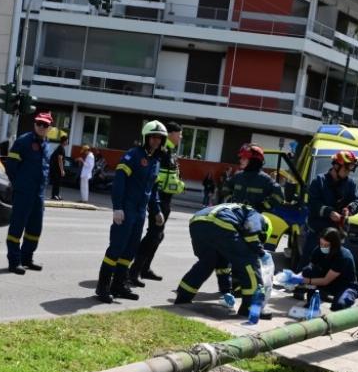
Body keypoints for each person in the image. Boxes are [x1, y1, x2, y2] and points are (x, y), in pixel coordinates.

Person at [95, 121, 166, 303]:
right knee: (117, 247)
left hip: (140, 212)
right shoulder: (133, 155)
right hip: (126, 209)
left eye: (160, 138)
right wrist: (117, 207)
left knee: (130, 250)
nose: (156, 141)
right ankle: (102, 287)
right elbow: (119, 181)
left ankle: (119, 285)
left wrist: (157, 210)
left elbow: (153, 190)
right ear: (146, 137)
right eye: (153, 137)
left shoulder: (155, 161)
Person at [174, 203, 269, 318]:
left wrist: (226, 291)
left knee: (208, 262)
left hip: (197, 223)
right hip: (220, 223)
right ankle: (250, 308)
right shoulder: (255, 214)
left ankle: (183, 297)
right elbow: (251, 234)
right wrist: (260, 252)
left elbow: (223, 266)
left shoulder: (237, 210)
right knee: (250, 262)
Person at [129, 121, 184, 285]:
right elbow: (154, 176)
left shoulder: (170, 151)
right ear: (172, 133)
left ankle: (144, 269)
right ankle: (133, 271)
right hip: (158, 199)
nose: (181, 137)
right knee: (154, 235)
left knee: (158, 235)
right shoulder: (162, 151)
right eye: (179, 134)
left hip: (166, 198)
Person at [5, 112, 53, 274]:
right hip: (24, 193)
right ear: (34, 124)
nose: (41, 127)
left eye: (45, 125)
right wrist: (19, 185)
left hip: (38, 195)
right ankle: (14, 261)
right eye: (39, 123)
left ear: (49, 128)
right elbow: (11, 165)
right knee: (17, 228)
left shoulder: (47, 145)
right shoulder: (23, 141)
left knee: (34, 229)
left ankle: (27, 259)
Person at [303, 150, 358, 262]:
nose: (348, 173)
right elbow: (313, 204)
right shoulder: (319, 181)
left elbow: (357, 201)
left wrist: (349, 209)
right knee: (308, 266)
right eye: (346, 169)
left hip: (338, 235)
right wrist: (329, 212)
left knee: (344, 265)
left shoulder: (350, 184)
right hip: (317, 234)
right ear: (336, 166)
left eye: (350, 169)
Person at [295, 227, 358, 312]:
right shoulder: (318, 250)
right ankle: (313, 300)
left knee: (339, 305)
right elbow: (310, 267)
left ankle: (344, 303)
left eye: (326, 245)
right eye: (321, 244)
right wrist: (294, 278)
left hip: (345, 285)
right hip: (327, 282)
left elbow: (325, 281)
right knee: (308, 271)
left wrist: (304, 280)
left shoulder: (344, 256)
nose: (323, 247)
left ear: (334, 244)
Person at [220, 143, 283, 212]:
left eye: (244, 158)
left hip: (254, 217)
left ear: (254, 161)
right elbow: (225, 187)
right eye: (241, 158)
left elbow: (279, 196)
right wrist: (230, 200)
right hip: (236, 215)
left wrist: (263, 206)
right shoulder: (237, 176)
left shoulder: (265, 179)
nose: (240, 160)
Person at [49, 134, 68, 201]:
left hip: (56, 168)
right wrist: (62, 170)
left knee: (58, 182)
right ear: (64, 141)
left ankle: (56, 194)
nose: (67, 142)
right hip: (56, 168)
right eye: (67, 141)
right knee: (56, 182)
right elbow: (60, 159)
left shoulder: (60, 147)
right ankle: (54, 195)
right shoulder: (61, 148)